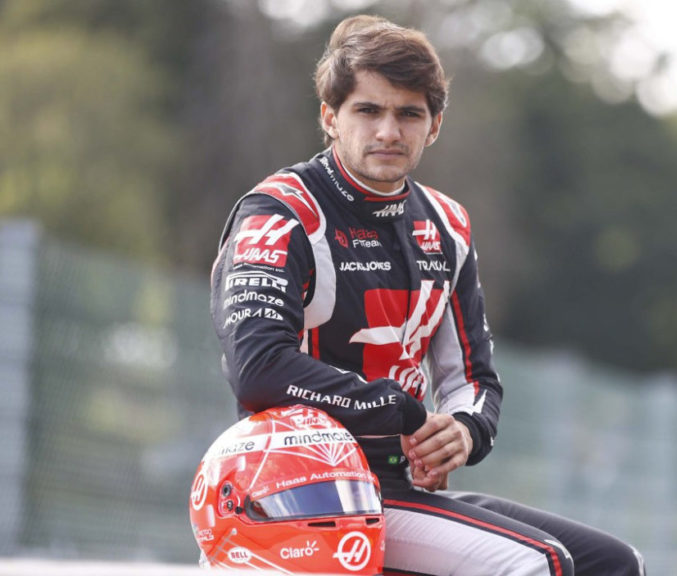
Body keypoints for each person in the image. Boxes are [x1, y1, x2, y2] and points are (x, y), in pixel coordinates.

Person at [210, 14, 644, 575]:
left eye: (409, 114)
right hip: (299, 493)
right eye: (368, 110)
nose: (389, 131)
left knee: (612, 563)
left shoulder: (447, 226)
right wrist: (403, 411)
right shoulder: (280, 211)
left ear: (434, 125)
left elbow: (474, 379)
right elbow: (258, 368)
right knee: (541, 565)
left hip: (396, 487)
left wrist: (462, 431)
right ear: (330, 118)